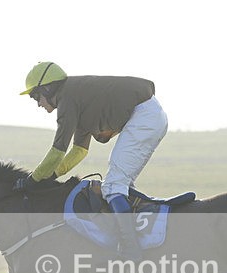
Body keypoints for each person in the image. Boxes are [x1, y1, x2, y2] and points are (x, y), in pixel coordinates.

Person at [16, 61, 168, 260]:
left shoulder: (67, 100)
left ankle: (131, 250)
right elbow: (79, 152)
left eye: (36, 96)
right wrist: (51, 175)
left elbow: (57, 151)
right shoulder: (78, 99)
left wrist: (33, 180)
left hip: (144, 117)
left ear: (48, 88)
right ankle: (138, 233)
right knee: (120, 184)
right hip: (149, 116)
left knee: (113, 186)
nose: (38, 103)